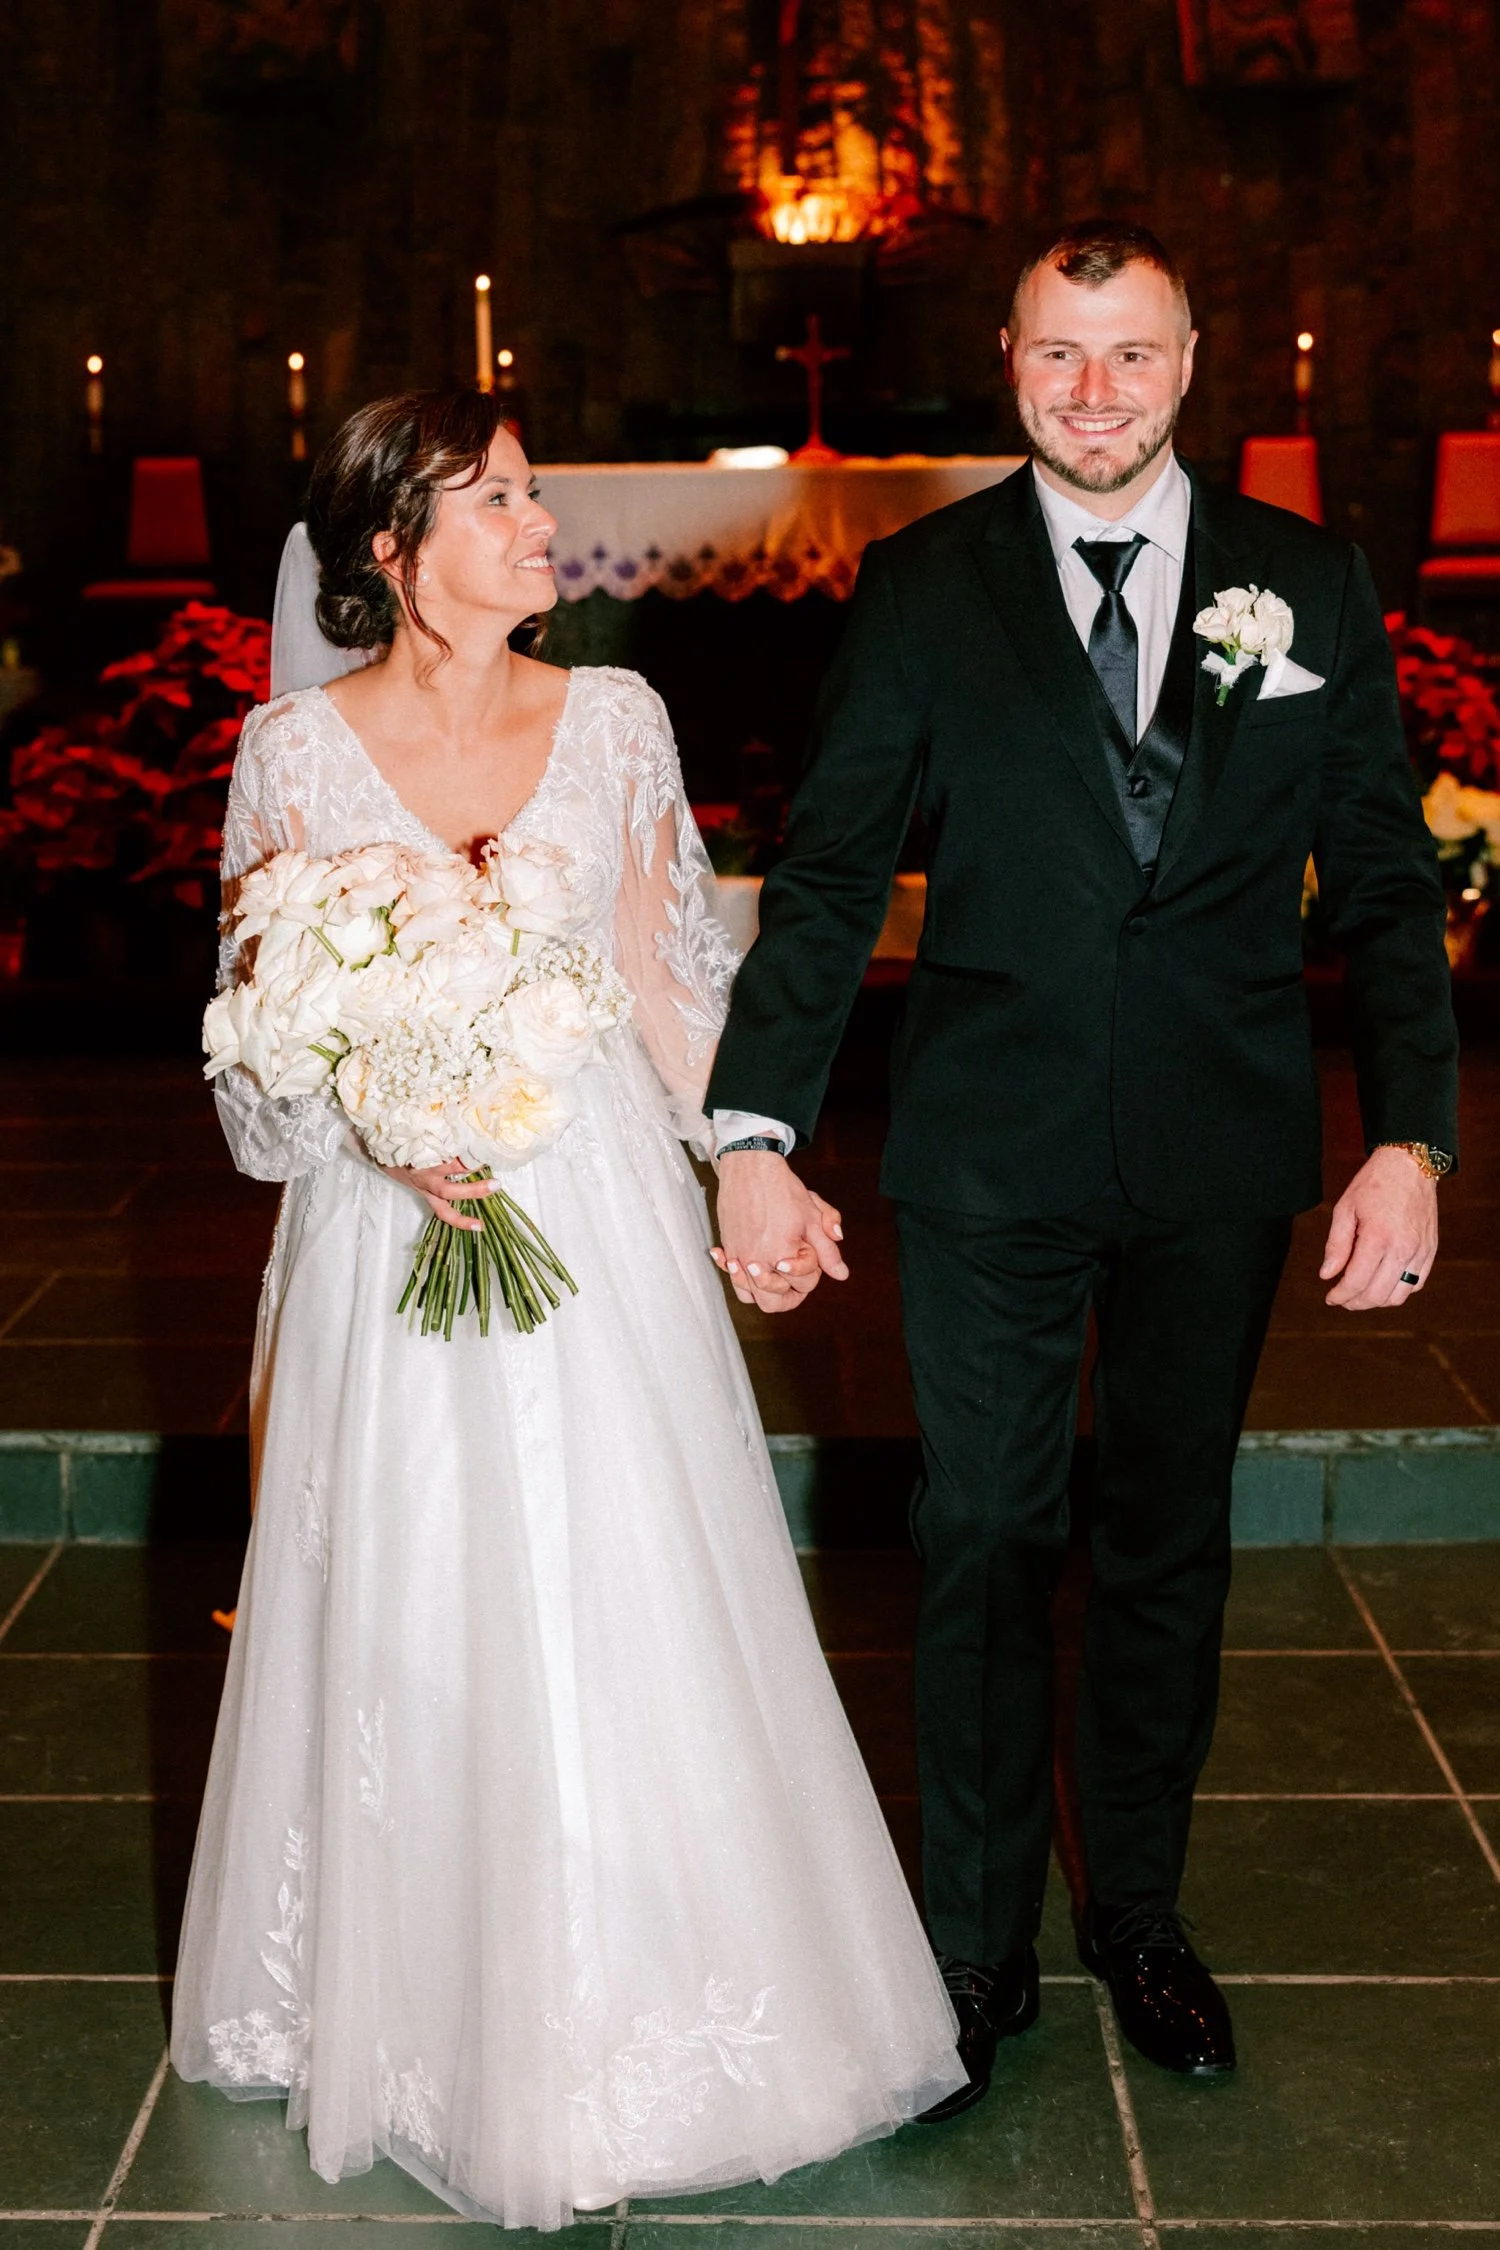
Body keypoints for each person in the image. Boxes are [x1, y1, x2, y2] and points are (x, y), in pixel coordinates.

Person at [171, 388, 963, 2232]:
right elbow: (253, 1073)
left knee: (632, 1582)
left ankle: (663, 1997)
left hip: (592, 1212)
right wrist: (380, 1113)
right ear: (394, 550)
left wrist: (747, 1164)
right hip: (387, 1240)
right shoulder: (289, 754)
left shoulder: (615, 718)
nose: (545, 524)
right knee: (417, 1602)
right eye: (505, 499)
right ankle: (423, 2000)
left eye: (537, 495)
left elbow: (670, 984)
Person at [707, 221, 1459, 2111]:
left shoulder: (1310, 581)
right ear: (1010, 362)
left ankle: (1138, 1908)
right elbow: (824, 876)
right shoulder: (922, 585)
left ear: (1192, 361)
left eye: (1131, 354)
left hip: (1221, 1149)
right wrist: (750, 1128)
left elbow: (1381, 880)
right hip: (989, 1150)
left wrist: (1414, 1138)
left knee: (1167, 1543)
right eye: (1061, 355)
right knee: (977, 1535)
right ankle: (970, 1947)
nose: (1096, 392)